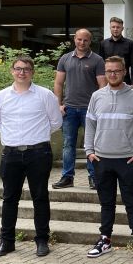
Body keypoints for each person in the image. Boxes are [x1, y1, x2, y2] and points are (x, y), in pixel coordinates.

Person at [0, 55, 62, 258]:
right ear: (12, 71)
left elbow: (56, 122)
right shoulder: (1, 96)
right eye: (18, 69)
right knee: (9, 198)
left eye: (26, 69)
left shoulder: (45, 95)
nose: (22, 72)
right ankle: (7, 242)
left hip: (38, 153)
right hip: (11, 154)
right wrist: (15, 137)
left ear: (32, 72)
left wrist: (36, 136)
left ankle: (42, 240)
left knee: (40, 197)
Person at [84, 56, 133, 260]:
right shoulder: (96, 96)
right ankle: (105, 239)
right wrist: (89, 151)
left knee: (132, 202)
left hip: (127, 159)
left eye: (117, 71)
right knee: (106, 202)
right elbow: (90, 125)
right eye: (109, 71)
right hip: (101, 159)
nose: (113, 74)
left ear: (124, 72)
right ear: (105, 72)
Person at [53, 29, 106, 190]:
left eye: (85, 40)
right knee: (68, 144)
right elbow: (58, 83)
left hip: (89, 110)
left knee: (92, 145)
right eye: (79, 39)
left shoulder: (97, 60)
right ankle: (67, 177)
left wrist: (99, 107)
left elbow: (102, 85)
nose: (82, 42)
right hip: (69, 109)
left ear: (90, 41)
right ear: (74, 39)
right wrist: (58, 104)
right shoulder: (65, 58)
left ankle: (94, 177)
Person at [98, 17, 133, 87]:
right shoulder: (103, 44)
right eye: (113, 27)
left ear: (122, 28)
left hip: (125, 81)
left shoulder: (130, 44)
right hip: (108, 81)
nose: (115, 29)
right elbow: (100, 65)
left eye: (118, 27)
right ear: (110, 28)